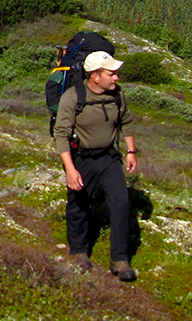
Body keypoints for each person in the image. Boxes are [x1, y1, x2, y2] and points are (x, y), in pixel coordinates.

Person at [53, 50, 138, 281]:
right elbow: (60, 134)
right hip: (82, 158)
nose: (117, 78)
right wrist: (70, 169)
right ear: (95, 77)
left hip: (109, 157)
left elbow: (126, 122)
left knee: (121, 202)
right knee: (78, 203)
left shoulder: (118, 96)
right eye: (112, 73)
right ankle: (79, 252)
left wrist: (131, 152)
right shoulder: (73, 97)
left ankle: (120, 259)